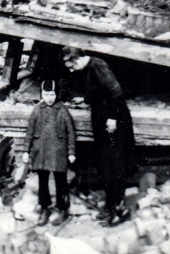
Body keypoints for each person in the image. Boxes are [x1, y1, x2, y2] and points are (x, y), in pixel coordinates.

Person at [61, 46, 136, 225]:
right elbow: (100, 91)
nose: (71, 70)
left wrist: (112, 117)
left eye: (71, 66)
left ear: (77, 59)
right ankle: (110, 206)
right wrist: (86, 100)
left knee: (115, 164)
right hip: (103, 120)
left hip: (113, 121)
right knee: (106, 163)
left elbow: (116, 91)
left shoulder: (98, 66)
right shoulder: (90, 68)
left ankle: (119, 209)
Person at [22, 79, 76, 226]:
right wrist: (26, 150)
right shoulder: (37, 110)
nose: (49, 98)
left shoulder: (62, 110)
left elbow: (71, 132)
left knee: (60, 181)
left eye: (52, 94)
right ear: (42, 95)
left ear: (56, 94)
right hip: (41, 152)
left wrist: (71, 152)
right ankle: (45, 208)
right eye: (46, 95)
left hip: (58, 152)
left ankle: (62, 208)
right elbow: (30, 132)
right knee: (43, 182)